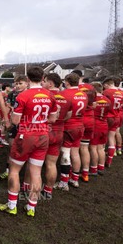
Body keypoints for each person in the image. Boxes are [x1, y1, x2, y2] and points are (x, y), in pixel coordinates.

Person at [0, 66, 57, 217]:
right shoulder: (50, 95)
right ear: (43, 78)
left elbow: (15, 120)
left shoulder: (23, 96)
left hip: (26, 135)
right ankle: (31, 207)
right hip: (43, 135)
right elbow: (53, 118)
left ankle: (12, 205)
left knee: (15, 170)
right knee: (36, 172)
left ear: (28, 79)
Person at [55, 73, 87, 191]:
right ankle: (75, 179)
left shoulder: (64, 94)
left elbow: (63, 113)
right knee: (75, 152)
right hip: (80, 125)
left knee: (65, 153)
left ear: (67, 82)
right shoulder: (83, 94)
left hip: (69, 126)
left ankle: (64, 182)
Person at [41, 72, 69, 200]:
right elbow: (68, 115)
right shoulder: (66, 97)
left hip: (44, 131)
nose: (42, 83)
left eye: (45, 81)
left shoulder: (44, 96)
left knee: (35, 164)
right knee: (51, 163)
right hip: (58, 131)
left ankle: (30, 187)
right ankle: (48, 190)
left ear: (50, 83)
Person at [0, 75, 28, 180]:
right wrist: (5, 119)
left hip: (27, 126)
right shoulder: (12, 94)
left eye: (20, 83)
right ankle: (8, 170)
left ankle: (25, 172)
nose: (18, 86)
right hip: (14, 124)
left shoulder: (29, 94)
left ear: (27, 83)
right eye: (16, 83)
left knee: (25, 148)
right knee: (11, 147)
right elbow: (7, 107)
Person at [74, 70, 96, 183]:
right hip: (90, 119)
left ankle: (73, 175)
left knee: (75, 150)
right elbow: (94, 104)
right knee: (85, 147)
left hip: (78, 120)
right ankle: (86, 173)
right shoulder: (91, 88)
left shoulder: (74, 88)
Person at [102, 77, 123, 167]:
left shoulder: (107, 92)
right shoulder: (121, 93)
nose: (104, 88)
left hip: (108, 117)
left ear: (107, 84)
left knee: (103, 139)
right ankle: (110, 160)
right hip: (116, 116)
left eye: (105, 86)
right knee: (111, 138)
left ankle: (101, 159)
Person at [91, 82, 111, 176]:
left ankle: (94, 169)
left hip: (95, 125)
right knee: (101, 148)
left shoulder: (93, 100)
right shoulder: (107, 100)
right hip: (104, 125)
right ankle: (101, 167)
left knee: (93, 148)